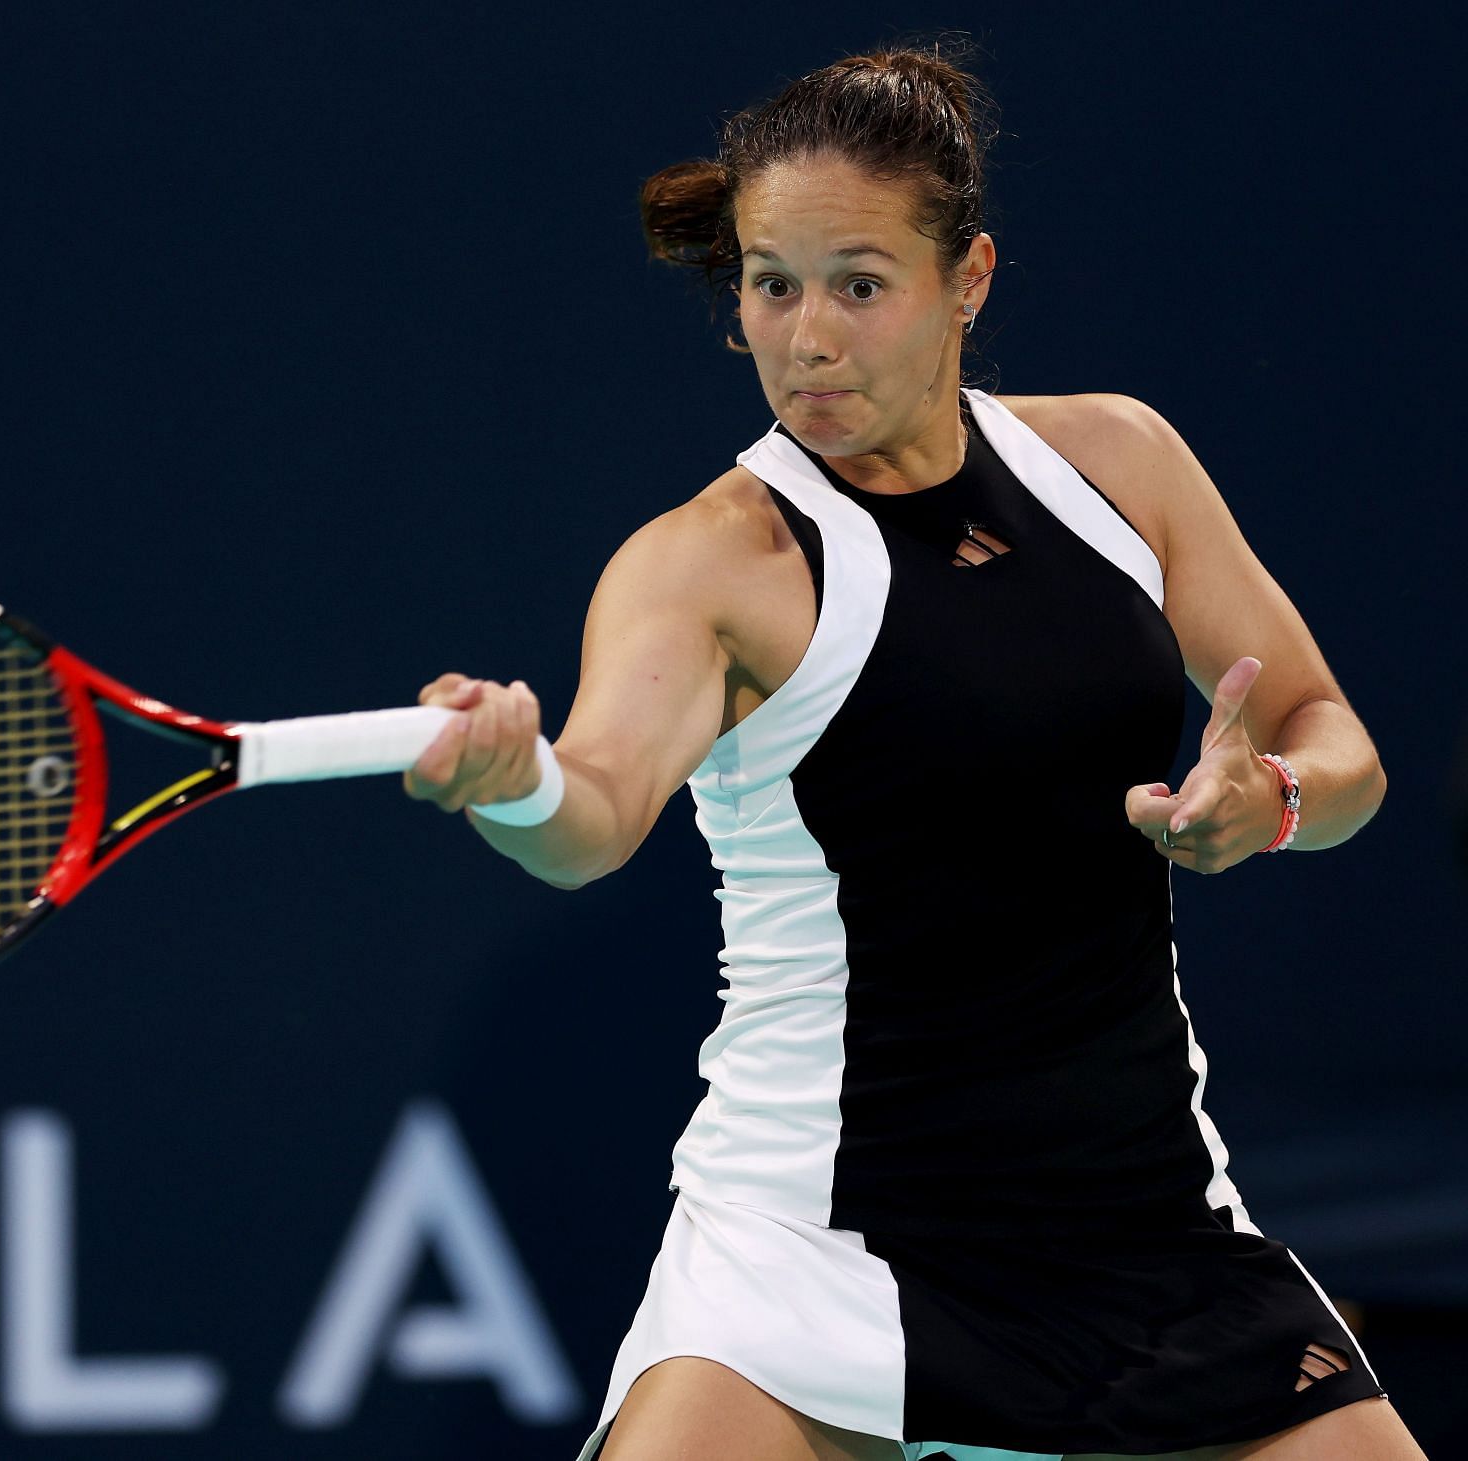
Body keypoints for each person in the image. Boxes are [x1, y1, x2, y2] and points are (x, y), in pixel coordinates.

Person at [403, 43, 1421, 1461]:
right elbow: (592, 812)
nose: (807, 336)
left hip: (1145, 1229)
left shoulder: (1120, 465)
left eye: (859, 285)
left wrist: (1279, 799)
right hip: (813, 1254)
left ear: (971, 280)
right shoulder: (711, 564)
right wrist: (509, 778)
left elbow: (1338, 742)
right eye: (771, 284)